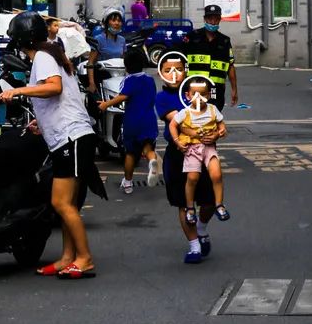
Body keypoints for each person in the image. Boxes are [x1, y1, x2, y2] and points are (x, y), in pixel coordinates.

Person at [0, 12, 103, 280]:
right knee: (66, 203)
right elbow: (60, 96)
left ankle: (85, 259)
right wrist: (40, 122)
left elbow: (54, 88)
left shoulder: (43, 57)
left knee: (60, 202)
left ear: (21, 39)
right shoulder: (51, 53)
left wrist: (18, 91)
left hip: (72, 137)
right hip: (68, 136)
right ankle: (68, 258)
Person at [155, 52, 216, 264]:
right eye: (168, 70)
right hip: (178, 153)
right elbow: (182, 122)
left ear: (186, 70)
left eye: (178, 69)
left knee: (210, 201)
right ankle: (194, 245)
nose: (174, 74)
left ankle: (201, 228)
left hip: (204, 151)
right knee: (183, 203)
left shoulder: (197, 90)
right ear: (160, 73)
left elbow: (213, 116)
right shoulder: (162, 98)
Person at [98, 44, 160, 193]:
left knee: (131, 153)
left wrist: (106, 104)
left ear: (126, 66)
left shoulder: (129, 80)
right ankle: (152, 160)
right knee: (148, 147)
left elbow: (123, 96)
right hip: (149, 119)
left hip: (133, 120)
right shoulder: (149, 79)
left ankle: (127, 183)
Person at [169, 75, 230, 224]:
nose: (199, 98)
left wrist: (220, 132)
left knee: (216, 175)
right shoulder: (185, 112)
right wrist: (177, 141)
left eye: (203, 94)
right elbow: (172, 125)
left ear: (208, 95)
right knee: (192, 178)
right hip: (192, 149)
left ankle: (219, 205)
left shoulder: (212, 109)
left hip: (209, 148)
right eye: (195, 94)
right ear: (187, 96)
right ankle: (190, 208)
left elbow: (222, 125)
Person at [184, 4, 239, 110]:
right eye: (210, 19)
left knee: (214, 120)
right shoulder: (192, 37)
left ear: (220, 20)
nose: (213, 22)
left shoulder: (225, 41)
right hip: (195, 89)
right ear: (205, 19)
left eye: (216, 19)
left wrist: (234, 89)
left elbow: (230, 66)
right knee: (194, 120)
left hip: (216, 91)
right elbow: (180, 59)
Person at [87, 7, 127, 92]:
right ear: (107, 23)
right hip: (102, 78)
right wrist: (92, 83)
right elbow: (90, 62)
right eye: (113, 20)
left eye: (119, 21)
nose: (117, 23)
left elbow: (125, 61)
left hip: (119, 78)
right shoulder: (98, 39)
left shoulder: (122, 40)